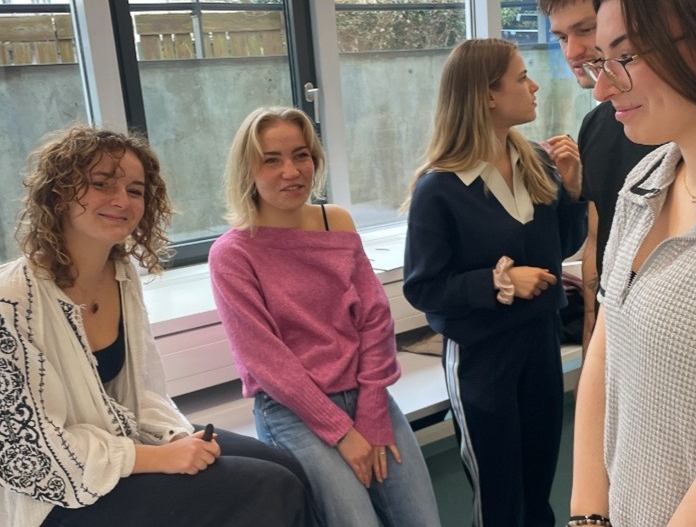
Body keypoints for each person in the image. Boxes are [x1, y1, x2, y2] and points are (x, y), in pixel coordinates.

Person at [0, 125, 317, 527]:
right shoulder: (12, 299)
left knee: (283, 465)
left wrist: (175, 438)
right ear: (60, 192)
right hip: (53, 495)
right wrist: (158, 458)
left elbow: (145, 394)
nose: (122, 200)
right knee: (271, 487)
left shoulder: (120, 272)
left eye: (135, 190)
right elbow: (24, 456)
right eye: (102, 183)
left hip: (119, 446)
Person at [208, 107, 441, 527]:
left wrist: (370, 411)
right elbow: (268, 362)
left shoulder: (336, 223)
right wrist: (342, 432)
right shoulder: (233, 254)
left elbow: (374, 319)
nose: (291, 171)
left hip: (365, 396)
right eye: (271, 160)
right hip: (294, 411)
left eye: (301, 155)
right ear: (248, 170)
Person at [402, 38, 586, 526]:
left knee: (538, 495)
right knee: (500, 503)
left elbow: (560, 248)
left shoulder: (538, 163)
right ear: (487, 95)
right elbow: (423, 289)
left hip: (541, 345)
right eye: (522, 77)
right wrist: (497, 283)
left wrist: (571, 189)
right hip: (483, 361)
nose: (535, 85)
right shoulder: (438, 188)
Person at [570, 0, 696, 527]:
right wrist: (587, 514)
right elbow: (608, 345)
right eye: (601, 62)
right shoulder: (648, 177)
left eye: (625, 57)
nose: (603, 87)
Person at [537, 0, 658, 358]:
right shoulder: (597, 124)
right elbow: (597, 242)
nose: (572, 52)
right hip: (617, 338)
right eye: (561, 37)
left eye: (585, 29)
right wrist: (593, 344)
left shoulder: (679, 127)